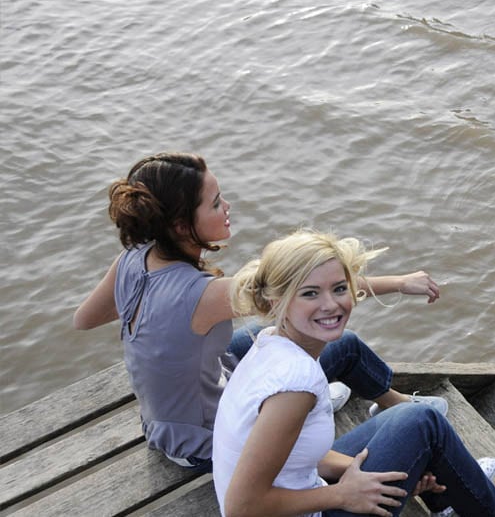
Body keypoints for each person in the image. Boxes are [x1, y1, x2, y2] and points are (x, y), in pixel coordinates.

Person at [73, 152, 446, 471]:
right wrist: (400, 282)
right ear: (182, 225)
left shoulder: (131, 260)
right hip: (205, 440)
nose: (227, 207)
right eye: (216, 202)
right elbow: (311, 294)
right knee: (341, 343)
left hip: (164, 423)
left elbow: (84, 318)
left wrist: (158, 320)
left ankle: (383, 403)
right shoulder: (202, 295)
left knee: (299, 341)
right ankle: (381, 412)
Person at [214, 229, 495, 517]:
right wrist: (342, 495)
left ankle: (449, 492)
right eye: (309, 294)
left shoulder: (268, 342)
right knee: (424, 422)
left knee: (410, 423)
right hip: (298, 506)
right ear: (278, 302)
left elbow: (294, 456)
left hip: (297, 484)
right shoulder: (296, 383)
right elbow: (241, 507)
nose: (331, 304)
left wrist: (375, 470)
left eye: (339, 288)